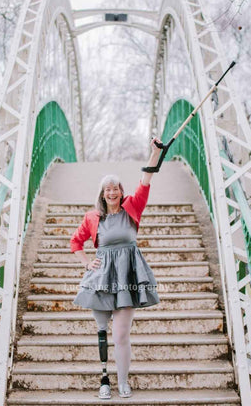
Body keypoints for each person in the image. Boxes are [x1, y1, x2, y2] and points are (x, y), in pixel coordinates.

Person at [70, 138, 162, 399]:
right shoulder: (92, 218)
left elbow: (146, 179)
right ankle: (104, 380)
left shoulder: (133, 206)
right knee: (102, 331)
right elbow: (75, 242)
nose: (111, 192)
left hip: (127, 277)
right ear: (102, 193)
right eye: (107, 189)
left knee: (121, 334)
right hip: (101, 278)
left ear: (121, 191)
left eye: (115, 188)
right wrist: (87, 262)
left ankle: (123, 382)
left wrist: (155, 153)